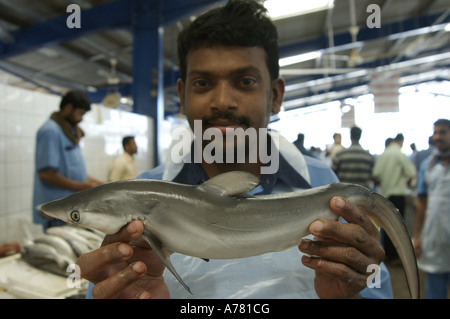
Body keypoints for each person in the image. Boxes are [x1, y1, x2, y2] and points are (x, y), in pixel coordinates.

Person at [77, 0, 391, 299]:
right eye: (203, 83)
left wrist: (352, 293)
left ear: (275, 95)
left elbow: (376, 284)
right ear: (183, 96)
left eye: (245, 81)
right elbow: (109, 281)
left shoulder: (327, 190)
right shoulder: (134, 204)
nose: (223, 101)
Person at [32, 90, 104, 231]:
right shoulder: (50, 131)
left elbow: (71, 169)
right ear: (68, 107)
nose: (81, 119)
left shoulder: (67, 131)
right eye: (80, 113)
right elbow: (46, 174)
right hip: (58, 210)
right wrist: (81, 187)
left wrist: (97, 184)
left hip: (72, 207)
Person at [413, 118, 450, 299]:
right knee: (435, 289)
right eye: (435, 132)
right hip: (435, 236)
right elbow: (422, 203)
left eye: (442, 132)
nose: (437, 137)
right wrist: (417, 236)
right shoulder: (426, 166)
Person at [373, 133, 416, 263]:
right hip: (398, 194)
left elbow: (376, 173)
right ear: (400, 141)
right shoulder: (399, 154)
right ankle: (396, 256)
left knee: (386, 225)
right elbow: (411, 172)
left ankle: (387, 254)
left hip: (385, 195)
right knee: (398, 227)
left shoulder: (383, 155)